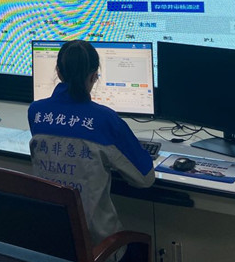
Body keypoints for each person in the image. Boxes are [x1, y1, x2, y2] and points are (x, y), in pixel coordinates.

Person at [28, 40, 155, 262]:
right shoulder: (106, 120)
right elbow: (145, 179)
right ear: (94, 75)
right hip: (98, 248)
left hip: (51, 242)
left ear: (58, 72)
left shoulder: (36, 112)